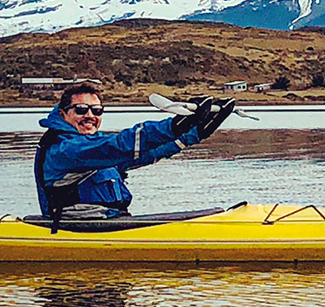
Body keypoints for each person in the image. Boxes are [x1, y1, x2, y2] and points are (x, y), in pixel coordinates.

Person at [34, 83, 234, 219]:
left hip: (112, 221)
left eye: (96, 111)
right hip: (80, 227)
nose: (90, 116)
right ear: (63, 114)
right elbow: (120, 145)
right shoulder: (65, 149)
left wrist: (195, 132)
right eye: (81, 110)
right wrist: (173, 126)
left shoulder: (93, 145)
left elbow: (150, 153)